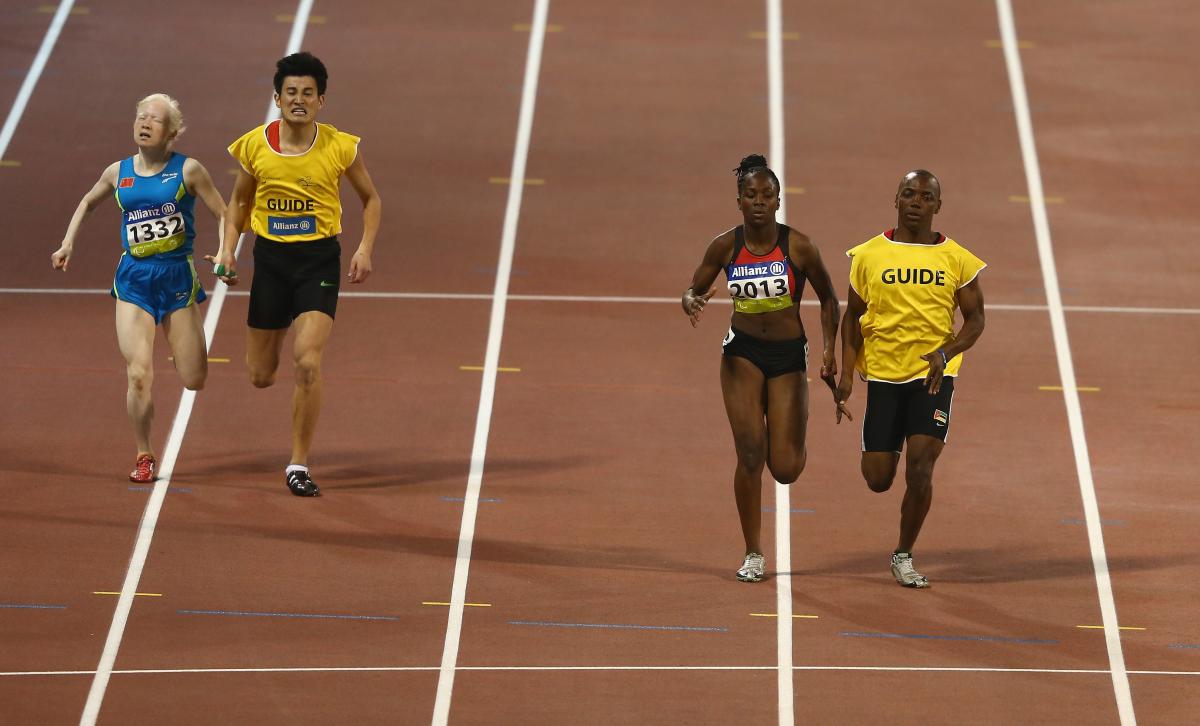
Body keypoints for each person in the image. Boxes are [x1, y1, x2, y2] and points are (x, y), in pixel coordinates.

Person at [212, 51, 381, 497]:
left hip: (318, 263)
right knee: (261, 375)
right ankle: (281, 324)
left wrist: (364, 247)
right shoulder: (253, 146)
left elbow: (372, 200)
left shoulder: (340, 147)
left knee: (307, 361)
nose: (299, 99)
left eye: (308, 93)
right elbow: (238, 205)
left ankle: (298, 464)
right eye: (291, 93)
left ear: (321, 100)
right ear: (277, 98)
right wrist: (228, 250)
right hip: (271, 263)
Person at [51, 94, 226, 483]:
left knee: (194, 378)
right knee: (138, 374)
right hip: (134, 280)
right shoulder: (118, 172)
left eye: (155, 119)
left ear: (173, 133)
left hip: (177, 278)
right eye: (140, 116)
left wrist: (224, 254)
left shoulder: (189, 171)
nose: (145, 123)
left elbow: (223, 213)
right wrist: (68, 242)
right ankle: (144, 453)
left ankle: (178, 347)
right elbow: (88, 202)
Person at [682, 154, 841, 582]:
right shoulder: (724, 246)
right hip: (743, 353)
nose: (758, 202)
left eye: (766, 195)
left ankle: (782, 424)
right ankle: (753, 552)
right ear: (738, 201)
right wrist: (690, 301)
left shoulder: (799, 246)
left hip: (788, 355)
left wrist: (829, 352)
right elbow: (692, 289)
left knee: (785, 468)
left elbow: (829, 298)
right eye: (750, 195)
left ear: (777, 202)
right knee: (749, 453)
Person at [833, 169, 987, 588]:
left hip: (933, 376)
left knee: (920, 469)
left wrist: (945, 352)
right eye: (908, 194)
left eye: (925, 196)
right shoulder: (867, 255)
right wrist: (846, 373)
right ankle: (886, 445)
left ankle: (903, 554)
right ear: (895, 200)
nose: (916, 201)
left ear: (938, 206)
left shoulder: (958, 259)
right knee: (878, 478)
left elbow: (975, 321)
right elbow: (852, 317)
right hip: (883, 373)